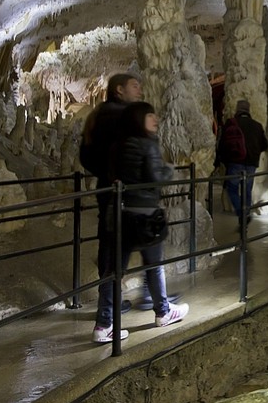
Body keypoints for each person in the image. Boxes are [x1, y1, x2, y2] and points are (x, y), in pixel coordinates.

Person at [92, 101, 189, 342]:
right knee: (154, 265)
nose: (155, 119)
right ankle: (163, 312)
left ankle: (104, 324)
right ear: (139, 119)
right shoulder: (148, 144)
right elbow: (155, 178)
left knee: (114, 271)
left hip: (120, 214)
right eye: (150, 116)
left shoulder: (117, 146)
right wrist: (168, 170)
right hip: (144, 215)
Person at [80, 73, 142, 339]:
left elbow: (85, 155)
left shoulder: (96, 115)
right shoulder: (123, 118)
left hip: (106, 189)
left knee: (109, 248)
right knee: (118, 253)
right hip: (123, 192)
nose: (139, 90)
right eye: (134, 86)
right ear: (119, 90)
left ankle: (112, 305)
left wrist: (105, 175)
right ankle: (105, 322)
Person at [218, 99, 268, 223]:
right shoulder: (257, 125)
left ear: (237, 110)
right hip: (251, 163)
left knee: (232, 188)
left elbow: (222, 144)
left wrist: (222, 160)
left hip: (235, 162)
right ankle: (246, 212)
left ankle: (241, 213)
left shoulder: (231, 123)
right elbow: (265, 145)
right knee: (247, 189)